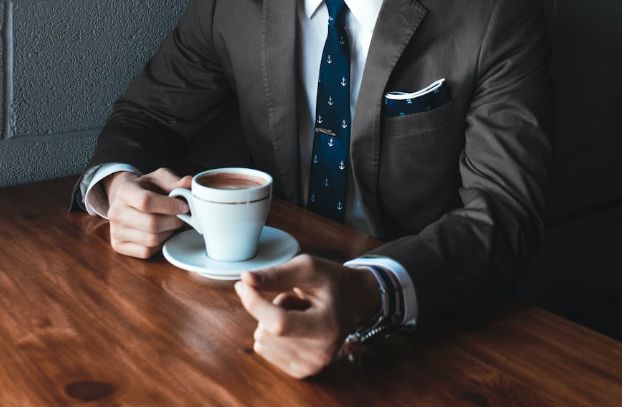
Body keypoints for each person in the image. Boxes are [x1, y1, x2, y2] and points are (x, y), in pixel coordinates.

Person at [71, 0, 555, 379]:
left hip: (427, 328)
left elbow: (505, 211)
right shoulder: (229, 7)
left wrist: (373, 289)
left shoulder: (496, 14)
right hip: (250, 307)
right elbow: (147, 114)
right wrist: (115, 185)